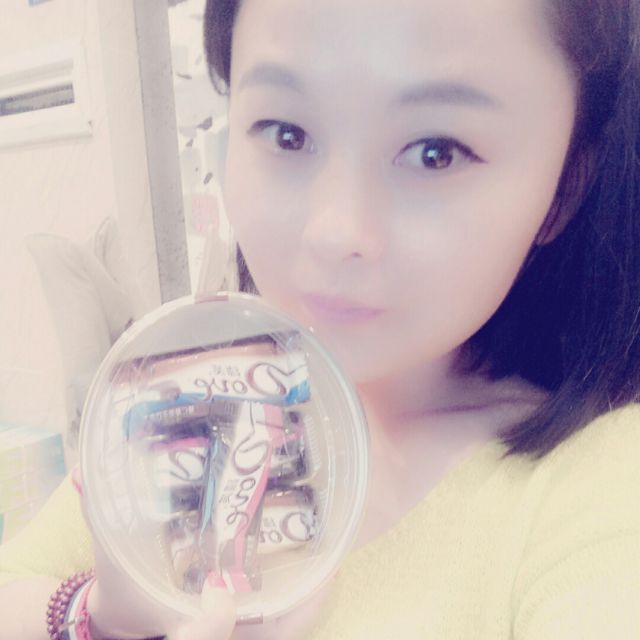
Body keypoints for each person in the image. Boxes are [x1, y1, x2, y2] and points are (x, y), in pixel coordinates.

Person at [2, 0, 640, 637]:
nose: (335, 232)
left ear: (564, 188)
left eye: (436, 152)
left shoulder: (600, 492)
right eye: (287, 133)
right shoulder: (203, 392)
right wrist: (96, 616)